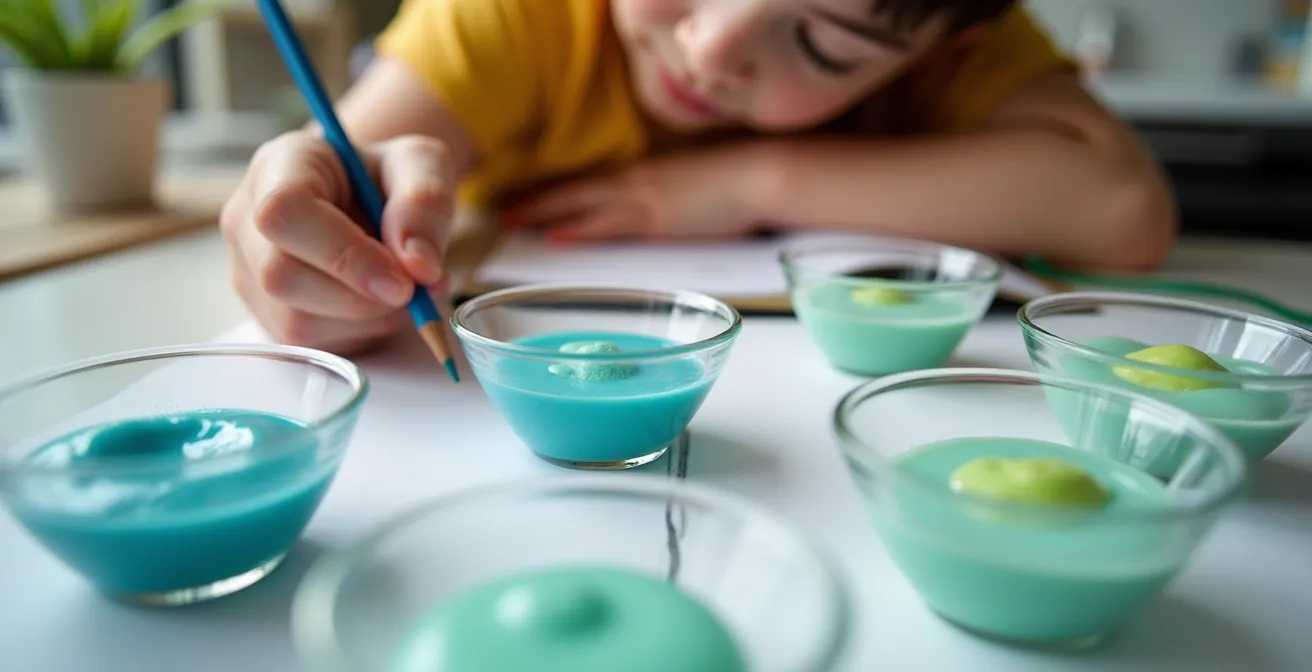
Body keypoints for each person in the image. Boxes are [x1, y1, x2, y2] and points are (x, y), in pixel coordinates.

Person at [220, 0, 1177, 354]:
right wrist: (308, 227)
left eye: (814, 40)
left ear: (944, 47)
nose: (713, 45)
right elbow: (347, 175)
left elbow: (1124, 210)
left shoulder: (942, 24)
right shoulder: (518, 15)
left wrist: (756, 179)